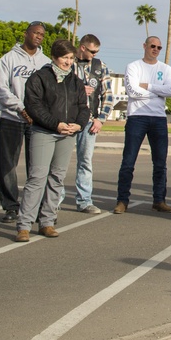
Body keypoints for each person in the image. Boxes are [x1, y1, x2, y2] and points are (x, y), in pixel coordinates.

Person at [14, 39, 90, 241]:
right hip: (44, 132)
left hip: (67, 135)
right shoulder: (39, 78)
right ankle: (24, 225)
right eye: (65, 57)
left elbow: (84, 107)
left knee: (57, 178)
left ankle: (47, 221)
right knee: (37, 178)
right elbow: (34, 107)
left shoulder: (75, 82)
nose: (68, 62)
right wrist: (55, 124)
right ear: (55, 57)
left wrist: (78, 125)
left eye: (71, 58)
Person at [0, 21, 50, 223]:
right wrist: (21, 108)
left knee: (37, 166)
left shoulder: (46, 62)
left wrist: (40, 114)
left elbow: (49, 92)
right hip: (12, 119)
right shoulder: (8, 59)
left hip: (37, 122)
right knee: (8, 164)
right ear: (26, 34)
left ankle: (35, 208)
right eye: (35, 33)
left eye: (42, 35)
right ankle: (10, 207)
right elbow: (0, 89)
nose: (38, 37)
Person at [115, 37, 171, 214]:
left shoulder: (165, 69)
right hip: (137, 117)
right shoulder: (133, 66)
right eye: (152, 46)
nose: (156, 49)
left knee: (160, 163)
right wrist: (158, 91)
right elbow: (132, 91)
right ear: (144, 46)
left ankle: (159, 200)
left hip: (158, 118)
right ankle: (122, 200)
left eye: (159, 47)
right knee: (128, 161)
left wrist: (148, 86)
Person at [72, 34, 115, 214]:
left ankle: (84, 201)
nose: (94, 54)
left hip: (89, 122)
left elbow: (108, 96)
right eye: (92, 51)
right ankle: (54, 200)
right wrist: (78, 90)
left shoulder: (99, 66)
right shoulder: (68, 62)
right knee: (57, 163)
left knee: (85, 162)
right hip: (67, 121)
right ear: (82, 47)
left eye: (97, 51)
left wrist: (101, 119)